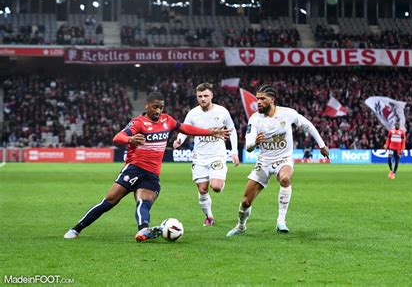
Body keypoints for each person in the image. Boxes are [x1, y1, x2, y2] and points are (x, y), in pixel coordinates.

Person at [64, 92, 229, 242]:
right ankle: (76, 229)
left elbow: (185, 128)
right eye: (155, 107)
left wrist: (210, 132)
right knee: (109, 202)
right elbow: (117, 137)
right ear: (147, 106)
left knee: (143, 202)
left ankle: (143, 231)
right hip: (134, 169)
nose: (158, 111)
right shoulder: (138, 123)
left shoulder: (167, 120)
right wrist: (130, 140)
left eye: (161, 107)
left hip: (152, 175)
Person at [226, 84, 329, 236]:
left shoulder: (287, 114)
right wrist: (255, 142)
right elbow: (248, 146)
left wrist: (322, 145)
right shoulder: (254, 119)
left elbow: (308, 125)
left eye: (262, 99)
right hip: (264, 162)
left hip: (283, 159)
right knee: (246, 202)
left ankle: (281, 220)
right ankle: (241, 226)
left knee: (285, 179)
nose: (258, 102)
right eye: (257, 99)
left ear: (272, 100)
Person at [173, 83, 239, 226]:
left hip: (217, 155)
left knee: (216, 187)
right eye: (200, 96)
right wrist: (179, 140)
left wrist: (234, 152)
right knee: (203, 189)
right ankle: (209, 217)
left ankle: (220, 178)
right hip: (199, 157)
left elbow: (232, 130)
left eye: (205, 96)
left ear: (212, 96)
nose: (203, 99)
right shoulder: (192, 113)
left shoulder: (222, 111)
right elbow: (184, 129)